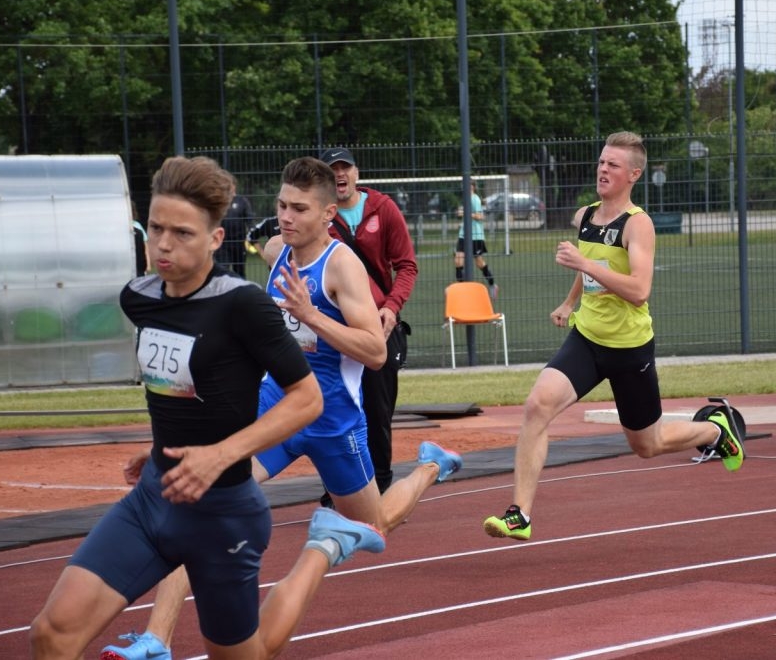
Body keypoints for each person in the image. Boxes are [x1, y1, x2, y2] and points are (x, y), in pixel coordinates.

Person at [98, 156, 461, 660]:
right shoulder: (276, 252)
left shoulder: (341, 266)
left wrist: (311, 314)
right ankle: (155, 638)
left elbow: (376, 351)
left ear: (328, 215)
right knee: (201, 503)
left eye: (299, 209)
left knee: (374, 525)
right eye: (281, 206)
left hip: (334, 417)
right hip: (278, 407)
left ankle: (429, 465)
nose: (286, 217)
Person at [29, 155, 386, 660]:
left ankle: (323, 547)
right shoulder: (139, 298)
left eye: (183, 233)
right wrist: (161, 448)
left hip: (224, 515)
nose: (164, 245)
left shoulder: (243, 305)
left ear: (215, 240)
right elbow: (181, 385)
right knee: (51, 634)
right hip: (156, 497)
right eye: (155, 228)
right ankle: (156, 638)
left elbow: (306, 398)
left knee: (249, 653)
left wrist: (219, 455)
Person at [482, 131, 745, 542]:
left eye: (613, 165)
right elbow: (590, 270)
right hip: (587, 339)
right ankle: (520, 514)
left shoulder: (638, 226)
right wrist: (570, 302)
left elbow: (639, 290)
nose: (603, 169)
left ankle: (715, 430)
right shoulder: (586, 215)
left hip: (629, 349)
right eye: (602, 162)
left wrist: (584, 262)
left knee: (647, 444)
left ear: (634, 174)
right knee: (537, 405)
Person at [319, 147, 418, 497]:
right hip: (337, 331)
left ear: (357, 173)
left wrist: (391, 308)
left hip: (380, 327)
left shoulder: (383, 208)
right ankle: (340, 489)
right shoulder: (319, 218)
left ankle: (382, 485)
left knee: (377, 412)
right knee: (336, 409)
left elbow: (406, 265)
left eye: (345, 168)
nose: (340, 175)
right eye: (332, 171)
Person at [454, 180, 497, 298]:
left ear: (472, 187)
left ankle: (492, 284)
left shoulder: (475, 199)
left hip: (475, 236)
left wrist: (466, 213)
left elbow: (480, 216)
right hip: (464, 234)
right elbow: (464, 214)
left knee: (479, 263)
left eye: (467, 185)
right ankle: (462, 290)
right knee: (458, 261)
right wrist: (461, 216)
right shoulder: (465, 199)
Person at [214, 185, 255, 278]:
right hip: (223, 242)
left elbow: (249, 219)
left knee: (239, 270)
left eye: (229, 185)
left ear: (234, 187)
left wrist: (252, 231)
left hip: (239, 242)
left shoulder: (242, 201)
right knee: (222, 269)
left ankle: (242, 290)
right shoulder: (220, 201)